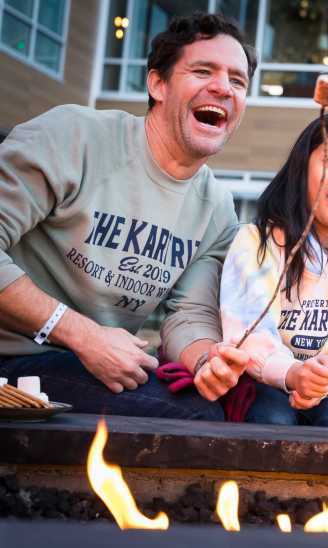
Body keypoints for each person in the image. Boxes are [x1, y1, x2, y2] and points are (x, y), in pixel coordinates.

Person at [0, 13, 257, 419]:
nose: (224, 87)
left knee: (218, 408)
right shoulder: (74, 137)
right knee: (194, 419)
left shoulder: (217, 209)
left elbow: (188, 315)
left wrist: (207, 361)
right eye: (203, 71)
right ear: (158, 84)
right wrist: (82, 334)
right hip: (15, 356)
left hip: (87, 364)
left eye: (238, 81)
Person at [217, 110, 328, 427]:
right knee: (274, 415)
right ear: (302, 168)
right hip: (261, 378)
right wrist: (291, 373)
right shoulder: (257, 242)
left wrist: (321, 380)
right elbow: (248, 328)